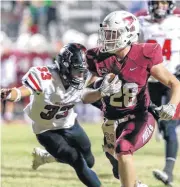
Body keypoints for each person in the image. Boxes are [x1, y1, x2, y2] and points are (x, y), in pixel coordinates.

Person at [29, 10, 180, 187]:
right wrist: (101, 91)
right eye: (106, 33)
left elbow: (174, 83)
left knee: (124, 149)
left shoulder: (145, 53)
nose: (107, 38)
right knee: (118, 169)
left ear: (129, 34)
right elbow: (83, 96)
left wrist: (171, 105)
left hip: (140, 117)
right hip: (111, 121)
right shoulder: (97, 58)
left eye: (112, 34)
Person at [0, 43, 104, 187]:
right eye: (76, 70)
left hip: (69, 123)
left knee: (90, 161)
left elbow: (90, 94)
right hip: (46, 130)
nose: (81, 76)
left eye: (83, 71)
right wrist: (12, 93)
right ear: (65, 67)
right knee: (76, 160)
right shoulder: (45, 76)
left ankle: (46, 157)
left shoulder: (83, 77)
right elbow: (24, 90)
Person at [135, 1, 180, 186]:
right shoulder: (140, 23)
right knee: (148, 119)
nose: (160, 6)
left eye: (164, 2)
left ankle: (168, 173)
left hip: (174, 78)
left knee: (169, 124)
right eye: (157, 2)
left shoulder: (177, 22)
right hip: (151, 80)